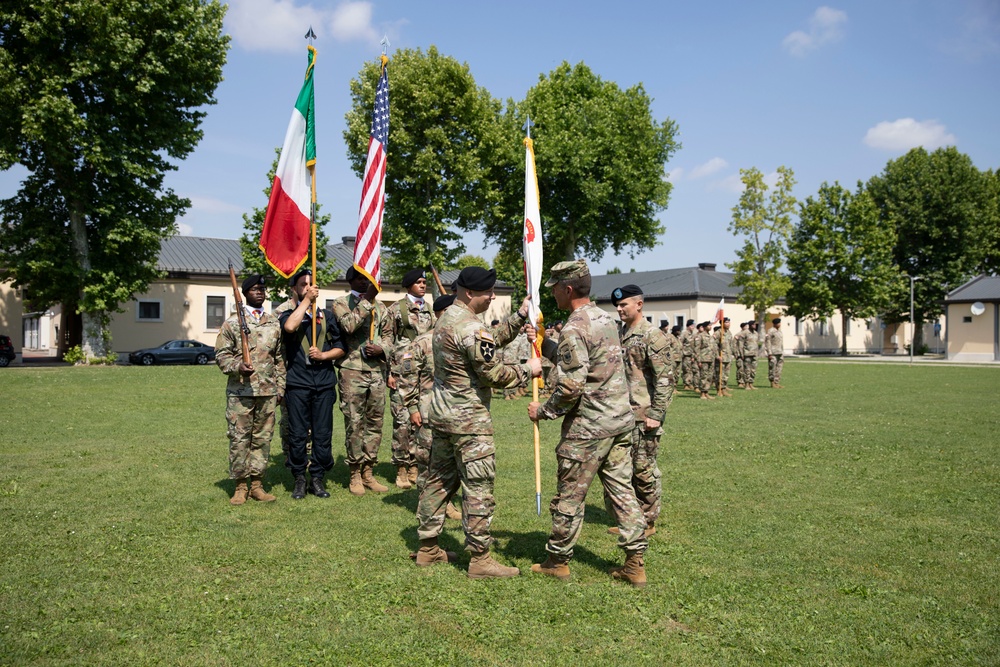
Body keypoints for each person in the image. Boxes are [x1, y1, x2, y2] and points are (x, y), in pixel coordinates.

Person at [413, 267, 542, 578]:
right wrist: (529, 368)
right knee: (478, 487)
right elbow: (494, 373)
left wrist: (518, 317)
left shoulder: (448, 319)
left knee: (438, 482)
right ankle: (481, 559)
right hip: (470, 423)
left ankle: (428, 548)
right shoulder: (471, 328)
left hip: (442, 415)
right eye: (488, 292)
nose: (493, 297)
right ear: (471, 293)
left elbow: (487, 342)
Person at [528, 260, 648, 587]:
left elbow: (571, 385)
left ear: (568, 289)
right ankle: (635, 562)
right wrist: (543, 342)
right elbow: (592, 364)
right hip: (619, 422)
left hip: (590, 427)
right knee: (623, 492)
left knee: (570, 494)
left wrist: (544, 411)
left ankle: (557, 560)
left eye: (554, 287)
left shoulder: (574, 326)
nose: (551, 292)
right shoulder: (605, 319)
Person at [608, 284, 673, 539]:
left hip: (643, 415)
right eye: (618, 305)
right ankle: (632, 518)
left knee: (643, 470)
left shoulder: (651, 335)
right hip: (621, 414)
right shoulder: (620, 333)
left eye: (624, 305)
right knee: (624, 470)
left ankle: (647, 521)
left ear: (639, 304)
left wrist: (656, 414)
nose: (619, 309)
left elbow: (665, 379)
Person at [215, 274, 286, 505]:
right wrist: (237, 367)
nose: (259, 292)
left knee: (262, 440)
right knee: (239, 439)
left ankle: (256, 484)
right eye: (254, 289)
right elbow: (221, 355)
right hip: (241, 392)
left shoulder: (273, 322)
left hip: (267, 392)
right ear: (244, 293)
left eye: (262, 289)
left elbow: (279, 359)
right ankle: (240, 486)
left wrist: (280, 387)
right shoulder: (233, 323)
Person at [280, 268, 347, 499]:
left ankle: (317, 478)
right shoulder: (288, 314)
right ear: (295, 289)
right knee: (297, 434)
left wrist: (325, 356)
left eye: (311, 284)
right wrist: (305, 301)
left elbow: (340, 347)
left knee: (322, 434)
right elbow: (290, 328)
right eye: (303, 285)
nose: (308, 287)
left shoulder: (327, 316)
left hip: (324, 384)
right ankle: (299, 478)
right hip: (298, 384)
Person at [398, 293, 461, 520]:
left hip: (454, 413)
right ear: (440, 314)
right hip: (427, 413)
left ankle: (448, 502)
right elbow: (406, 378)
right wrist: (413, 409)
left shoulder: (458, 339)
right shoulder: (422, 342)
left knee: (453, 461)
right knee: (427, 461)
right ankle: (427, 505)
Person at [332, 267, 392, 495]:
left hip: (376, 372)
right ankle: (355, 473)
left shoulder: (382, 307)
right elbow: (348, 326)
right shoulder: (341, 303)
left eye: (369, 279)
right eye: (361, 279)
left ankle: (369, 471)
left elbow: (389, 337)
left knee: (375, 423)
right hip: (352, 370)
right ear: (351, 281)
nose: (366, 283)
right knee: (354, 423)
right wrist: (367, 300)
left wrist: (382, 348)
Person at [386, 268, 436, 489]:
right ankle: (401, 469)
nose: (423, 285)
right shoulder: (397, 309)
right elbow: (387, 341)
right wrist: (389, 371)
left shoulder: (430, 310)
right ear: (408, 285)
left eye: (425, 282)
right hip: (402, 370)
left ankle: (416, 465)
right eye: (418, 282)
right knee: (403, 422)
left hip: (424, 372)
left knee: (421, 421)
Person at [696, 322, 717, 400]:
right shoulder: (700, 336)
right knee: (703, 376)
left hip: (711, 359)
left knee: (709, 376)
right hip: (703, 359)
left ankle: (706, 392)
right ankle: (702, 393)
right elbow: (697, 349)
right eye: (709, 325)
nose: (710, 327)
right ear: (704, 327)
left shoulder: (711, 336)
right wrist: (698, 360)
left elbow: (714, 348)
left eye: (711, 325)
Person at [715, 317, 734, 397]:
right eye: (726, 322)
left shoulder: (729, 333)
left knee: (726, 375)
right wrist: (717, 355)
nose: (728, 324)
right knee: (720, 375)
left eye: (729, 322)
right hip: (721, 357)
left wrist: (732, 354)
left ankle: (724, 388)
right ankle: (719, 390)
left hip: (728, 357)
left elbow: (731, 345)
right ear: (722, 323)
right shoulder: (718, 333)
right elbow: (714, 345)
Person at [766, 317, 785, 388]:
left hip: (780, 352)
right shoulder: (770, 331)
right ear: (775, 324)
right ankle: (772, 382)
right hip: (773, 352)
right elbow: (768, 342)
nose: (780, 324)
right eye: (778, 323)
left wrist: (783, 352)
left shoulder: (779, 331)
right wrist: (769, 353)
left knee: (779, 368)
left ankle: (777, 382)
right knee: (772, 368)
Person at [680, 319, 696, 390]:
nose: (693, 327)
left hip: (692, 354)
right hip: (685, 354)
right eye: (692, 325)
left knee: (691, 369)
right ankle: (686, 384)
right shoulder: (684, 333)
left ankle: (690, 383)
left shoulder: (693, 334)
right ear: (688, 326)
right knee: (686, 369)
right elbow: (681, 343)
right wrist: (682, 353)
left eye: (694, 325)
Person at [744, 320, 760, 390]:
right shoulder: (745, 333)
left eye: (755, 325)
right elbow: (741, 343)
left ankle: (751, 383)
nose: (755, 326)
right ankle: (746, 384)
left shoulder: (756, 333)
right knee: (747, 370)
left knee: (753, 370)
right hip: (747, 353)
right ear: (750, 325)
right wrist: (741, 353)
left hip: (755, 354)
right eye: (753, 325)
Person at [734, 321, 748, 389]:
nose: (747, 327)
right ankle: (740, 381)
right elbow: (734, 345)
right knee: (740, 368)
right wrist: (736, 353)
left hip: (746, 353)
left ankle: (746, 381)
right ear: (742, 327)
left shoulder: (748, 334)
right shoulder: (738, 334)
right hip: (739, 354)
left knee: (746, 369)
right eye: (746, 326)